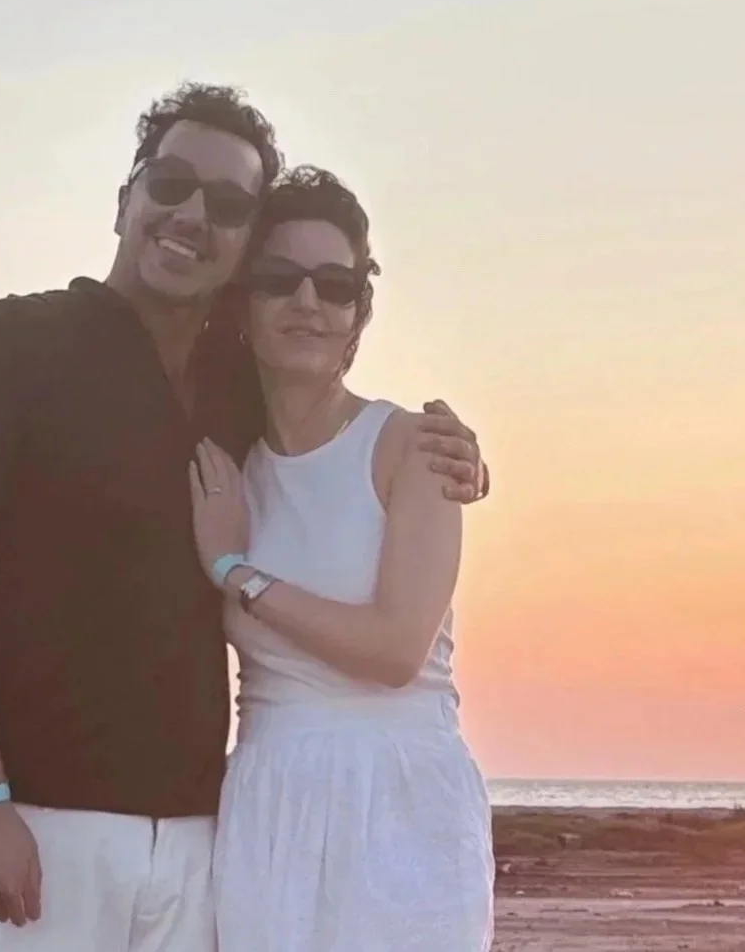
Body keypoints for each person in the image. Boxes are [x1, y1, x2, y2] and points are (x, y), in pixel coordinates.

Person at [0, 83, 490, 952]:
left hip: (199, 843)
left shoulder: (230, 390)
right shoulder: (15, 344)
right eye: (170, 183)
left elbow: (330, 447)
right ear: (125, 199)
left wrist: (454, 453)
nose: (190, 215)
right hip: (39, 822)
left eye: (227, 204)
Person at [187, 164, 493, 951]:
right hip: (268, 801)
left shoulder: (412, 446)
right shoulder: (224, 471)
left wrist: (236, 573)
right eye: (280, 279)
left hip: (400, 799)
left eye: (334, 285)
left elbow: (394, 648)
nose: (307, 301)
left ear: (359, 311)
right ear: (243, 301)